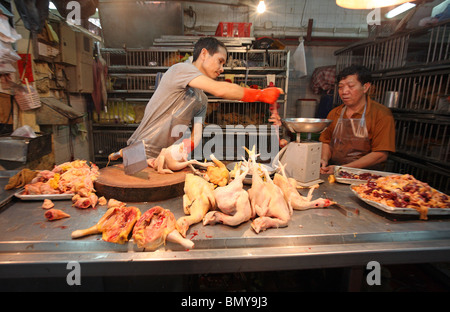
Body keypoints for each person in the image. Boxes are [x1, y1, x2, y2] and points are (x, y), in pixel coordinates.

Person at [127, 37, 282, 159]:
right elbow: (220, 90)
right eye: (220, 61)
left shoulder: (201, 100)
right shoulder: (181, 69)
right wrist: (260, 94)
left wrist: (179, 153)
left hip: (164, 157)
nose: (222, 69)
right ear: (203, 54)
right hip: (139, 151)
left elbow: (196, 134)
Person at [319, 65, 396, 174]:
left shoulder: (381, 114)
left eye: (351, 86)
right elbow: (326, 142)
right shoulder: (334, 113)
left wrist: (343, 169)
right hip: (334, 172)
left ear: (365, 87)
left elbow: (380, 155)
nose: (344, 91)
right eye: (341, 87)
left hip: (367, 177)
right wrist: (324, 160)